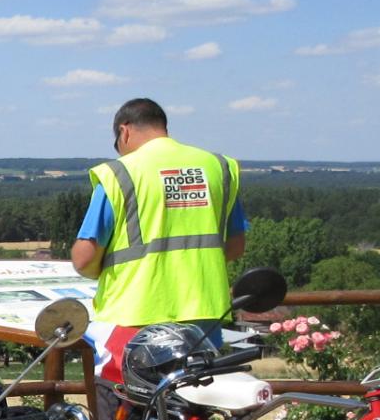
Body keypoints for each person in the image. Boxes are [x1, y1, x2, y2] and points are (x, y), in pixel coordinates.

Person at [70, 97, 247, 332]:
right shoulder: (218, 167)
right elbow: (235, 245)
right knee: (199, 370)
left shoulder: (119, 173)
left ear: (124, 132)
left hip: (133, 314)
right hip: (205, 312)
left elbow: (84, 258)